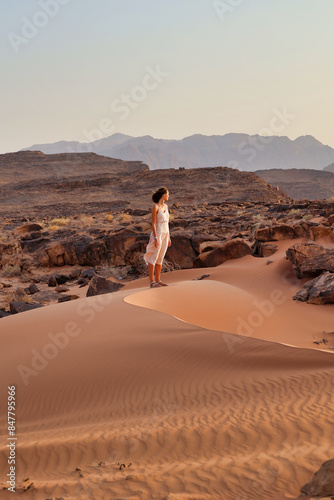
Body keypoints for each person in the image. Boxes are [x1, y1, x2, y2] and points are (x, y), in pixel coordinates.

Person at [143, 187, 171, 288]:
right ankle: (152, 282)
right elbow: (154, 224)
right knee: (153, 257)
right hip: (158, 234)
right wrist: (155, 238)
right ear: (163, 195)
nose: (168, 196)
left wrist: (168, 237)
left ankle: (158, 280)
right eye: (167, 194)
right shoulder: (155, 207)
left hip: (165, 234)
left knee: (160, 258)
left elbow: (167, 223)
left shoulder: (166, 207)